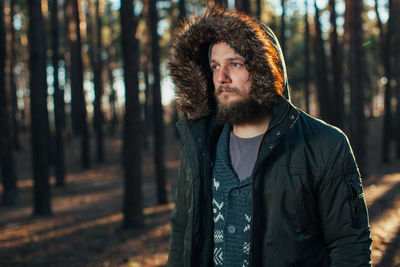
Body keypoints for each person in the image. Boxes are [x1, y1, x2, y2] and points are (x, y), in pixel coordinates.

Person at [167, 9, 372, 267]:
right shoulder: (199, 148)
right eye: (215, 67)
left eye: (235, 64)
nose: (221, 77)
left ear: (264, 69)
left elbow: (349, 246)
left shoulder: (325, 145)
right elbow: (181, 233)